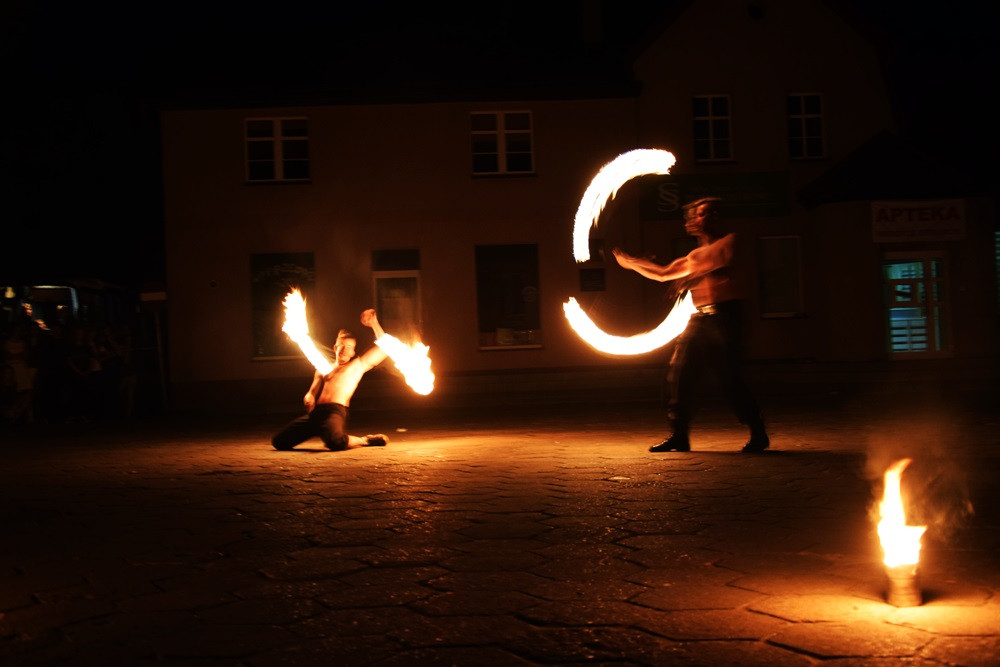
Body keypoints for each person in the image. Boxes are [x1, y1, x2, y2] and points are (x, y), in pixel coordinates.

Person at [613, 196, 769, 453]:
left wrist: (692, 278)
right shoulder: (694, 255)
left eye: (702, 214)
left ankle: (757, 430)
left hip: (726, 317)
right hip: (699, 318)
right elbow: (662, 273)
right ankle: (679, 435)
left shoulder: (730, 241)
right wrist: (631, 263)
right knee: (680, 372)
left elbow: (723, 270)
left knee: (729, 379)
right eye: (695, 214)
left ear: (715, 216)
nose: (696, 219)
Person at [272, 308, 390, 451]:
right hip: (316, 413)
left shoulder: (357, 366)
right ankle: (321, 430)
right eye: (342, 346)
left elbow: (385, 347)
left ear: (353, 352)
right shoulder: (322, 367)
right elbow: (312, 392)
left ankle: (365, 440)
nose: (345, 349)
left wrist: (374, 323)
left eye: (350, 347)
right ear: (335, 347)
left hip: (335, 411)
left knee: (336, 442)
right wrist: (309, 398)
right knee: (279, 442)